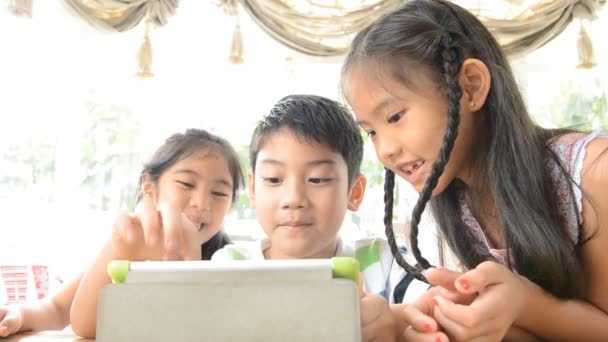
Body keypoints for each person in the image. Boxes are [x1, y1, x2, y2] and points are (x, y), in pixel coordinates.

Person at [341, 0, 608, 341]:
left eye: (394, 116)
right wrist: (425, 320)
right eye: (372, 132)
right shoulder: (447, 207)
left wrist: (525, 303)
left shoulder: (593, 173)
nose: (385, 150)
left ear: (471, 86)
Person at [212, 94, 429, 341]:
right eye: (273, 179)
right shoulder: (229, 266)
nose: (293, 198)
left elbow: (431, 313)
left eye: (318, 179)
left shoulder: (384, 261)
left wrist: (397, 323)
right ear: (252, 189)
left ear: (354, 192)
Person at [0, 129, 243, 339]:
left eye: (219, 193)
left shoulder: (234, 265)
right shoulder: (127, 246)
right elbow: (58, 309)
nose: (202, 203)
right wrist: (21, 314)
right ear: (148, 186)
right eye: (186, 184)